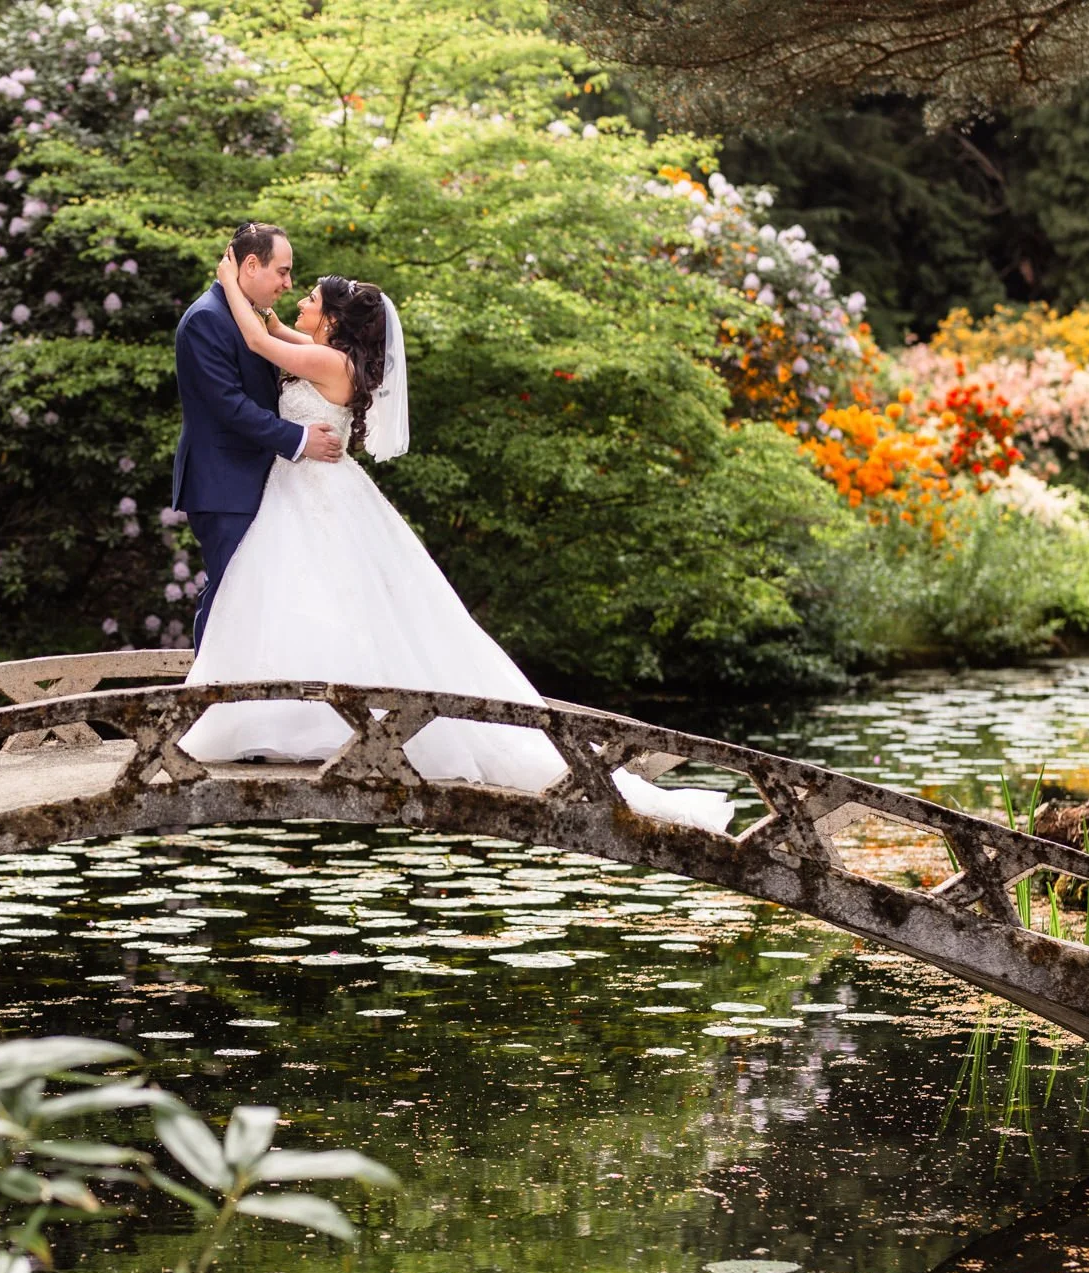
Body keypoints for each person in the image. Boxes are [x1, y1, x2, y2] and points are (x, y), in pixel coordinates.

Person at [171, 232, 735, 832]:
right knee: (294, 600)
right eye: (288, 277)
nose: (295, 297)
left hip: (310, 489)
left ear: (332, 321)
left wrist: (232, 281)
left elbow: (261, 338)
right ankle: (278, 719)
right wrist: (240, 291)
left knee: (307, 598)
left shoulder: (327, 362)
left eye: (308, 295)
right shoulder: (320, 350)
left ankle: (301, 722)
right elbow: (272, 334)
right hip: (292, 488)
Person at [171, 222, 343, 646]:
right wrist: (300, 440)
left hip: (259, 483)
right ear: (251, 264)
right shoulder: (206, 320)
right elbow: (230, 406)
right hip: (223, 483)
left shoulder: (251, 318)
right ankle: (208, 697)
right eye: (282, 272)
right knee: (229, 595)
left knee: (254, 599)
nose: (288, 283)